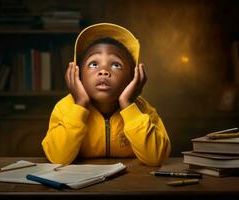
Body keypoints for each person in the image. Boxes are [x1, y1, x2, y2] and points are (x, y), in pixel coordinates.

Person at [42, 23, 171, 166]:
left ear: (132, 78)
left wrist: (128, 106)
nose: (103, 71)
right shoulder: (65, 108)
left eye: (116, 65)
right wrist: (80, 105)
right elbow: (58, 158)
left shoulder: (141, 109)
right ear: (77, 74)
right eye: (93, 64)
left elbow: (156, 158)